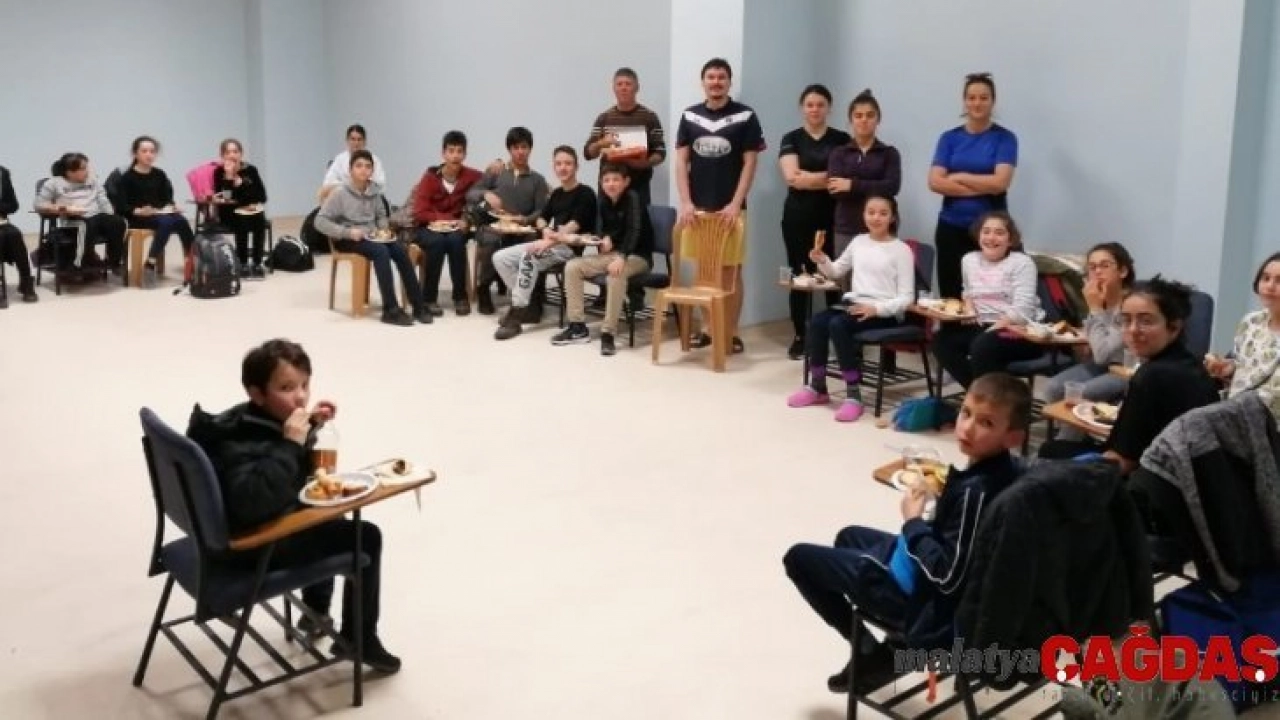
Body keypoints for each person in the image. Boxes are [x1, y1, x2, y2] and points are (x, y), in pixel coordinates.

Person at [783, 372, 1030, 694]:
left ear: (1012, 437)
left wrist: (913, 522)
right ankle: (891, 645)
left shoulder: (975, 494)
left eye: (986, 423)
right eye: (966, 412)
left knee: (798, 558)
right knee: (848, 536)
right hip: (942, 580)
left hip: (927, 606)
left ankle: (871, 651)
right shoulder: (1010, 473)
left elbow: (948, 577)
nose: (968, 427)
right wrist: (942, 502)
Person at [185, 339, 401, 674]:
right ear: (257, 393)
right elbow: (252, 501)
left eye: (304, 384)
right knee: (366, 536)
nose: (301, 397)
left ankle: (315, 613)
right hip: (251, 548)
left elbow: (277, 464)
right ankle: (360, 638)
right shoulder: (241, 442)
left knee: (329, 511)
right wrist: (291, 444)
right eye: (287, 388)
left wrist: (311, 426)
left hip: (228, 532)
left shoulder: (245, 418)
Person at [1040, 276, 1221, 470]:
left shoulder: (1152, 376)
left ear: (1174, 327)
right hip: (1183, 471)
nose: (1133, 330)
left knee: (1050, 451)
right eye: (1126, 320)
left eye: (1146, 321)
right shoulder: (1190, 363)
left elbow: (1123, 462)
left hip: (1151, 478)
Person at [785, 196, 914, 422]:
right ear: (863, 215)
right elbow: (835, 271)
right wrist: (822, 260)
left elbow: (907, 297)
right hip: (854, 304)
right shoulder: (858, 242)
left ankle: (853, 395)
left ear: (892, 217)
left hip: (883, 311)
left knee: (838, 325)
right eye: (871, 212)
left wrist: (877, 309)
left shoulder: (901, 250)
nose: (876, 218)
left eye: (883, 213)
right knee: (818, 322)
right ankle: (817, 387)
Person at [674, 57, 765, 354]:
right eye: (711, 77)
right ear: (703, 82)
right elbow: (681, 161)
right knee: (704, 270)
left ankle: (730, 332)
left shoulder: (745, 116)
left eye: (721, 77)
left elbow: (750, 163)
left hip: (731, 209)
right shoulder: (690, 116)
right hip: (698, 210)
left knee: (730, 273)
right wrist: (686, 202)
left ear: (729, 82)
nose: (716, 82)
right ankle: (707, 329)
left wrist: (736, 203)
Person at [777, 84, 852, 359]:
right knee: (800, 277)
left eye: (820, 104)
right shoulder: (791, 138)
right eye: (810, 104)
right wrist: (826, 177)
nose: (815, 109)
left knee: (833, 277)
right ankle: (801, 335)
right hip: (797, 217)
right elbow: (792, 178)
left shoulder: (842, 139)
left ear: (829, 108)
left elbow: (843, 177)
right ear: (802, 108)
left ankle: (837, 335)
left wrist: (808, 177)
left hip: (834, 218)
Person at [928, 73, 1018, 300]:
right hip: (951, 228)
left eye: (984, 98)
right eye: (972, 97)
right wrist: (985, 185)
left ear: (993, 101)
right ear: (965, 101)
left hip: (991, 231)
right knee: (951, 295)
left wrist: (960, 176)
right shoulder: (949, 138)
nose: (977, 103)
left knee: (990, 296)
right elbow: (935, 181)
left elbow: (1001, 182)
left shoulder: (1005, 138)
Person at [494, 146, 597, 341]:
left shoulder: (586, 193)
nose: (563, 167)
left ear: (576, 166)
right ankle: (528, 305)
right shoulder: (557, 193)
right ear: (554, 167)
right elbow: (541, 218)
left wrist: (549, 240)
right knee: (500, 258)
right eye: (558, 164)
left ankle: (517, 314)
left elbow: (574, 225)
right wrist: (545, 229)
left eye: (568, 163)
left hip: (568, 248)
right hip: (550, 242)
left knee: (529, 257)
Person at [315, 150, 430, 327]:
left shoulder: (375, 192)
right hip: (349, 239)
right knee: (381, 252)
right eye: (359, 166)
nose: (363, 170)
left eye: (368, 166)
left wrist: (383, 229)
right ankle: (390, 309)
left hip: (373, 237)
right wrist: (347, 232)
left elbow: (381, 215)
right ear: (351, 170)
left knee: (400, 249)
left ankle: (418, 305)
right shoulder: (340, 193)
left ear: (372, 170)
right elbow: (320, 221)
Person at [931, 211, 1044, 389]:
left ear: (1010, 240)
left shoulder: (1022, 263)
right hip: (982, 325)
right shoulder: (969, 260)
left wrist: (990, 331)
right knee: (941, 341)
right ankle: (979, 393)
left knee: (983, 345)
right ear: (978, 236)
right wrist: (969, 308)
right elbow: (967, 291)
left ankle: (985, 396)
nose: (991, 238)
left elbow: (1022, 311)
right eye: (986, 231)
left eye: (999, 233)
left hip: (1019, 329)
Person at [550, 164, 652, 357]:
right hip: (613, 254)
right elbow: (601, 228)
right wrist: (604, 237)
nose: (611, 184)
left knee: (615, 275)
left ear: (626, 182)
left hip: (637, 256)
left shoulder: (633, 198)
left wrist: (622, 256)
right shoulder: (603, 200)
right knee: (572, 266)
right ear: (601, 183)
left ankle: (608, 333)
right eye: (606, 180)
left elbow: (635, 231)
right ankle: (577, 326)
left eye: (616, 179)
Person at [1043, 243, 1135, 415]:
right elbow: (1096, 342)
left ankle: (1072, 431)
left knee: (1079, 395)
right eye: (1092, 267)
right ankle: (1069, 428)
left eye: (1105, 265)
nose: (1097, 272)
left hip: (1126, 369)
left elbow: (1102, 355)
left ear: (1123, 271)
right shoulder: (1101, 298)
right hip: (1104, 364)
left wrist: (1094, 309)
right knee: (1052, 388)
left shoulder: (1130, 305)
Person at [467, 126, 550, 315]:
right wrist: (486, 194)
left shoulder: (538, 180)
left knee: (534, 242)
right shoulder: (497, 172)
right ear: (509, 149)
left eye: (524, 147)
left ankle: (531, 296)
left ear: (530, 149)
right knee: (490, 240)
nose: (520, 152)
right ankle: (483, 289)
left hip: (523, 229)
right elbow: (470, 194)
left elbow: (541, 210)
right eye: (515, 148)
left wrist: (525, 219)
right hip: (494, 226)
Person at [412, 130, 483, 317]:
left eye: (460, 151)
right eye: (451, 151)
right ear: (443, 154)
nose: (455, 156)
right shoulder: (430, 178)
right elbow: (420, 213)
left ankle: (460, 296)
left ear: (465, 154)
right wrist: (450, 219)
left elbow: (489, 181)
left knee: (456, 240)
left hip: (455, 229)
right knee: (437, 242)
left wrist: (498, 164)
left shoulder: (471, 175)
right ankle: (429, 298)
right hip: (426, 227)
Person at [1206, 252, 1280, 420]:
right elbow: (1244, 366)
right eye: (1265, 278)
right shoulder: (1251, 322)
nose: (1270, 286)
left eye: (1279, 281)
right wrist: (1228, 369)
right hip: (1236, 412)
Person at [118, 136, 196, 285]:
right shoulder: (127, 178)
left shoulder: (159, 174)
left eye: (152, 151)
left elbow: (166, 198)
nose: (149, 155)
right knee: (167, 222)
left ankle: (192, 261)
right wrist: (138, 210)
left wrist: (172, 206)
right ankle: (151, 262)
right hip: (138, 217)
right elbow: (121, 205)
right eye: (144, 151)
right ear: (135, 154)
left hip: (159, 214)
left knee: (181, 221)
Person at [582, 67, 666, 207]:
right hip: (608, 186)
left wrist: (644, 163)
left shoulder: (649, 117)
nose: (623, 88)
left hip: (639, 186)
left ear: (637, 87)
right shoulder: (604, 118)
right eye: (619, 84)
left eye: (628, 84)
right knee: (605, 220)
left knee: (638, 220)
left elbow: (660, 152)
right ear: (613, 88)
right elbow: (588, 153)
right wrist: (601, 143)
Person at [34, 152, 126, 273]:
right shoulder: (54, 183)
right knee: (86, 224)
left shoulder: (92, 181)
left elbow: (103, 199)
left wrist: (110, 214)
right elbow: (39, 204)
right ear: (69, 172)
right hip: (72, 219)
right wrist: (61, 208)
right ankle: (81, 262)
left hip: (95, 216)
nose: (86, 171)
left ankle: (114, 262)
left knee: (118, 222)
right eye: (82, 169)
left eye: (86, 167)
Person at [212, 138, 269, 277]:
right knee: (241, 220)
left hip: (251, 210)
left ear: (241, 153)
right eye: (228, 152)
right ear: (222, 155)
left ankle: (257, 263)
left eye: (235, 151)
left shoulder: (251, 170)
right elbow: (226, 198)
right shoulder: (219, 172)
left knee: (259, 219)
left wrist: (242, 185)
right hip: (229, 212)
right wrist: (229, 178)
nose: (232, 155)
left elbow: (262, 196)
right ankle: (242, 263)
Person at [320, 124, 387, 203]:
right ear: (347, 140)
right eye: (353, 139)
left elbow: (380, 184)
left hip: (368, 201)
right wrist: (348, 187)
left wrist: (361, 187)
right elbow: (328, 182)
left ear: (365, 141)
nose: (356, 143)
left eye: (359, 139)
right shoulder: (340, 159)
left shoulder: (374, 160)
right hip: (343, 200)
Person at [0, 164, 36, 303]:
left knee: (14, 234)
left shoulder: (2, 173)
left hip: (2, 222)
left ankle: (26, 283)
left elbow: (13, 205)